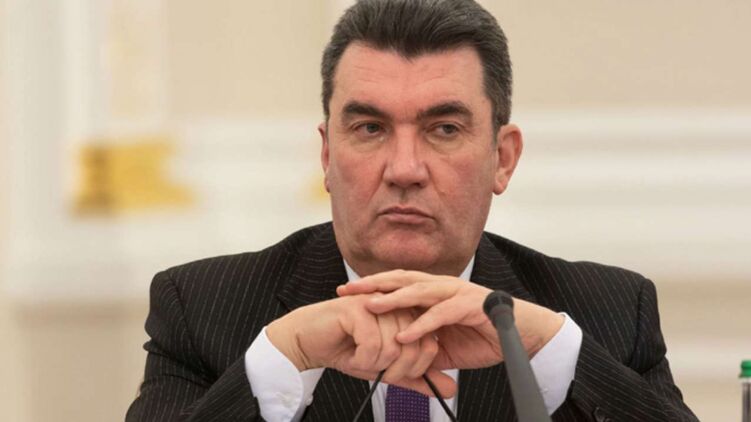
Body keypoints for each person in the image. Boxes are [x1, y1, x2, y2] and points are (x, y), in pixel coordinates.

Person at [127, 0, 698, 421]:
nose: (404, 169)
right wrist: (285, 360)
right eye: (370, 128)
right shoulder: (203, 310)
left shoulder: (608, 315)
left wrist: (551, 356)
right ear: (327, 155)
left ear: (502, 159)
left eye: (444, 129)